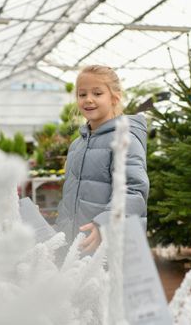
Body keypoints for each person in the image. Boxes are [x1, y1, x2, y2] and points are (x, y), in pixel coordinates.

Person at [54, 65, 149, 254]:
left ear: (114, 97)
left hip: (108, 245)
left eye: (97, 93)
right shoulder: (76, 145)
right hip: (76, 246)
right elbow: (70, 196)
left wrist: (104, 223)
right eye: (82, 94)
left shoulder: (123, 139)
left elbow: (133, 191)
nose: (88, 99)